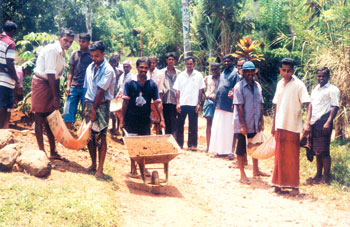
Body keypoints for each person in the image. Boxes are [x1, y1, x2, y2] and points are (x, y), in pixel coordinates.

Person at [31, 29, 74, 159]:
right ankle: (41, 152)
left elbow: (56, 76)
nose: (67, 43)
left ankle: (53, 151)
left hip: (51, 84)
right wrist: (55, 97)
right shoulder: (52, 49)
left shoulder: (62, 53)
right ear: (59, 37)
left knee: (51, 118)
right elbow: (50, 73)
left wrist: (56, 94)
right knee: (39, 117)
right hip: (41, 83)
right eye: (65, 40)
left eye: (70, 42)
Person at [271, 58, 311, 196]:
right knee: (279, 156)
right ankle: (278, 184)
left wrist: (307, 122)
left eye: (289, 71)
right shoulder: (279, 84)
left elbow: (308, 103)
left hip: (293, 126)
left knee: (292, 158)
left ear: (293, 71)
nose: (286, 73)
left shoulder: (299, 85)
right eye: (283, 70)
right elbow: (276, 105)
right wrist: (273, 125)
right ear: (280, 69)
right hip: (279, 125)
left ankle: (294, 187)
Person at [120, 57, 165, 175]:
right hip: (131, 118)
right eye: (141, 67)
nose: (143, 70)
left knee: (145, 144)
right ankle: (133, 168)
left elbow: (157, 102)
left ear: (149, 68)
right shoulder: (130, 83)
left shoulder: (152, 84)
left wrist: (162, 119)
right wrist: (122, 120)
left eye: (146, 68)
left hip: (145, 118)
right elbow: (125, 102)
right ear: (137, 68)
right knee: (133, 143)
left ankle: (143, 167)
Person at [233, 61, 269, 184]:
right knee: (241, 148)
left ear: (254, 72)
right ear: (242, 72)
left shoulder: (257, 86)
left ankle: (256, 170)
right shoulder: (239, 87)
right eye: (247, 71)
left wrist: (261, 120)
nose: (249, 73)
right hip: (242, 123)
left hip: (255, 121)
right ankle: (242, 174)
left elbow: (260, 104)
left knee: (255, 146)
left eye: (251, 71)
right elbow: (239, 107)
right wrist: (243, 125)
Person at [83, 41, 116, 178]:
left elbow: (101, 91)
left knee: (101, 136)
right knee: (89, 136)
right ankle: (93, 164)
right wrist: (86, 106)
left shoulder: (108, 70)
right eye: (92, 56)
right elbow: (88, 89)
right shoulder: (90, 67)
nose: (94, 59)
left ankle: (100, 169)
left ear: (104, 54)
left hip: (101, 105)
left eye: (97, 56)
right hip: (89, 103)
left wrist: (94, 109)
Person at [306, 67, 340, 184]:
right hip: (314, 122)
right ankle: (318, 175)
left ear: (328, 77)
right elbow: (311, 105)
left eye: (323, 76)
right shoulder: (316, 89)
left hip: (324, 121)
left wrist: (329, 121)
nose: (321, 78)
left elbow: (335, 106)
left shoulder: (332, 89)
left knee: (324, 151)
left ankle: (326, 178)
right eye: (319, 76)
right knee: (317, 151)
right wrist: (309, 121)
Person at [208, 55, 240, 159]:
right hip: (219, 105)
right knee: (219, 129)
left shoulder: (235, 73)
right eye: (225, 61)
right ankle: (219, 151)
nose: (226, 63)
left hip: (229, 106)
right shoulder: (222, 73)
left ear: (233, 61)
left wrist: (234, 103)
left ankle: (229, 152)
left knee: (229, 130)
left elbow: (237, 89)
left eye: (229, 61)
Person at [174, 56, 205, 150]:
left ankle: (193, 145)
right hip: (183, 103)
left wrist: (199, 103)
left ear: (194, 64)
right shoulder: (180, 75)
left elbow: (200, 90)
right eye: (187, 63)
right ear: (185, 64)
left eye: (191, 63)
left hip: (193, 104)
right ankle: (179, 144)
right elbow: (177, 91)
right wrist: (178, 103)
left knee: (193, 125)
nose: (189, 65)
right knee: (180, 125)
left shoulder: (198, 75)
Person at [63, 33, 92, 129]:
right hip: (74, 86)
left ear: (88, 43)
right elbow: (71, 71)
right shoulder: (74, 54)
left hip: (86, 88)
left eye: (83, 42)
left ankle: (84, 136)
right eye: (80, 41)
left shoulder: (92, 55)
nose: (81, 43)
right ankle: (68, 132)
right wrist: (68, 85)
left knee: (86, 112)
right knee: (68, 110)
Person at [0, 21, 18, 129]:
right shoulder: (10, 43)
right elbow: (9, 62)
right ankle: (2, 130)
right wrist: (17, 80)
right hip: (4, 79)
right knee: (3, 105)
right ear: (12, 32)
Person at [158, 53, 180, 136]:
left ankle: (174, 139)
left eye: (172, 60)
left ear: (175, 61)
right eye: (169, 59)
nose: (171, 61)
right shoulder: (161, 72)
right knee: (165, 121)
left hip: (175, 101)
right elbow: (159, 88)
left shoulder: (179, 73)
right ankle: (166, 139)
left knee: (174, 121)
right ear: (166, 60)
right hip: (164, 101)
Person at [203, 63, 220, 152]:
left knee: (218, 124)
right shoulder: (207, 78)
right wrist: (207, 96)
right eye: (212, 69)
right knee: (209, 123)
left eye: (216, 69)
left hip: (219, 102)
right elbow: (202, 89)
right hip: (209, 101)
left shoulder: (222, 78)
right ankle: (209, 146)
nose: (214, 71)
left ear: (219, 69)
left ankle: (217, 146)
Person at [109, 53, 124, 135]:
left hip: (116, 92)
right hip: (110, 92)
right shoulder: (109, 70)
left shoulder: (119, 70)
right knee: (111, 112)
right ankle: (113, 127)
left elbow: (117, 82)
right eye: (112, 62)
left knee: (117, 110)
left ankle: (117, 128)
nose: (113, 64)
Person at [148, 56, 162, 134]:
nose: (152, 64)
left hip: (155, 99)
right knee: (148, 120)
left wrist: (160, 102)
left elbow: (160, 89)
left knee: (157, 120)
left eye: (154, 62)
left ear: (156, 63)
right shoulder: (145, 72)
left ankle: (157, 135)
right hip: (146, 100)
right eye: (150, 62)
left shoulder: (160, 73)